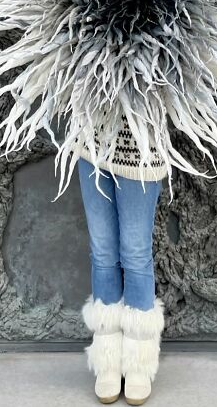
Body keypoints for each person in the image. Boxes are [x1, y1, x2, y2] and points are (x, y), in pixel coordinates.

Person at [77, 122, 168, 406]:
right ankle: (108, 362)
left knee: (136, 253)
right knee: (102, 252)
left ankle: (138, 364)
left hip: (142, 147)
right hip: (92, 144)